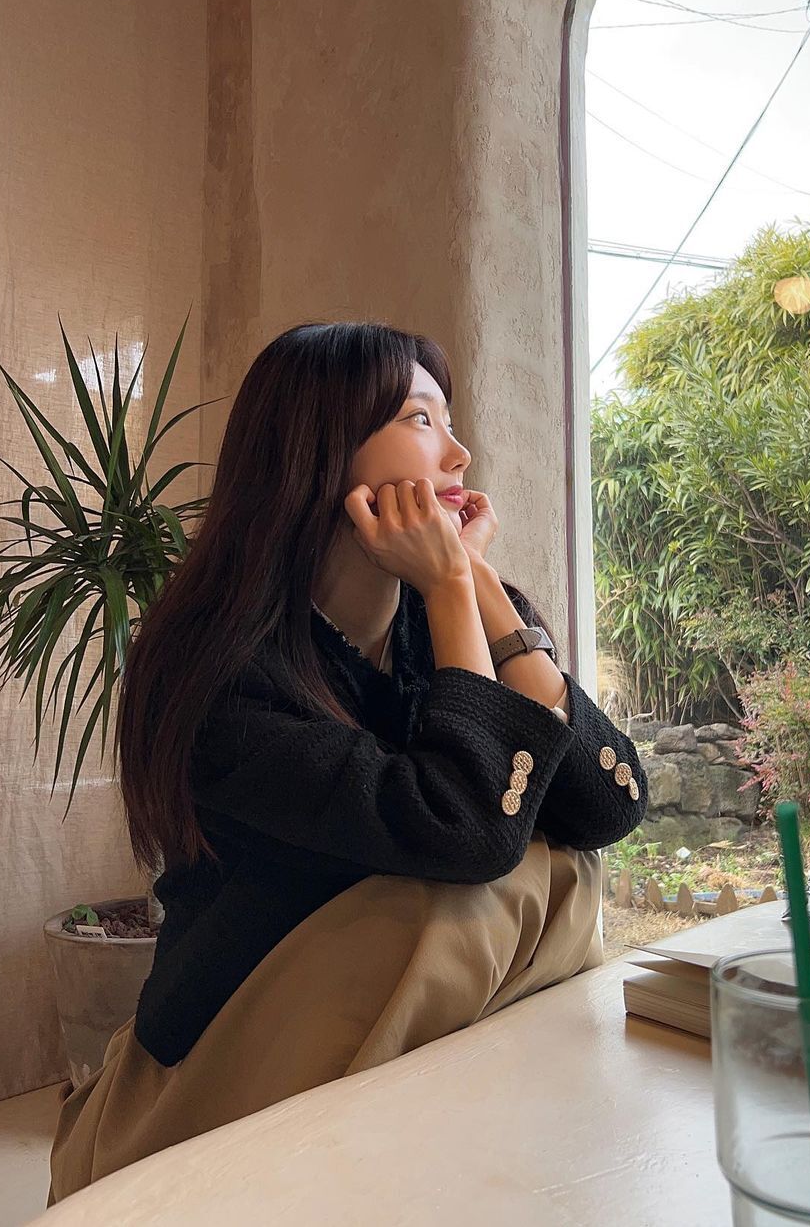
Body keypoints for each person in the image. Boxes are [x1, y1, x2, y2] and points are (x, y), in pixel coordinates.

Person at [47, 321, 647, 1205]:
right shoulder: (215, 669)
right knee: (484, 895)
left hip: (397, 1051)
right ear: (322, 450)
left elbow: (609, 804)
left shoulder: (448, 615)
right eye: (421, 419)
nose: (459, 453)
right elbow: (467, 836)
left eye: (449, 421)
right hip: (238, 1048)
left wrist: (483, 595)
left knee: (560, 866)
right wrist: (453, 589)